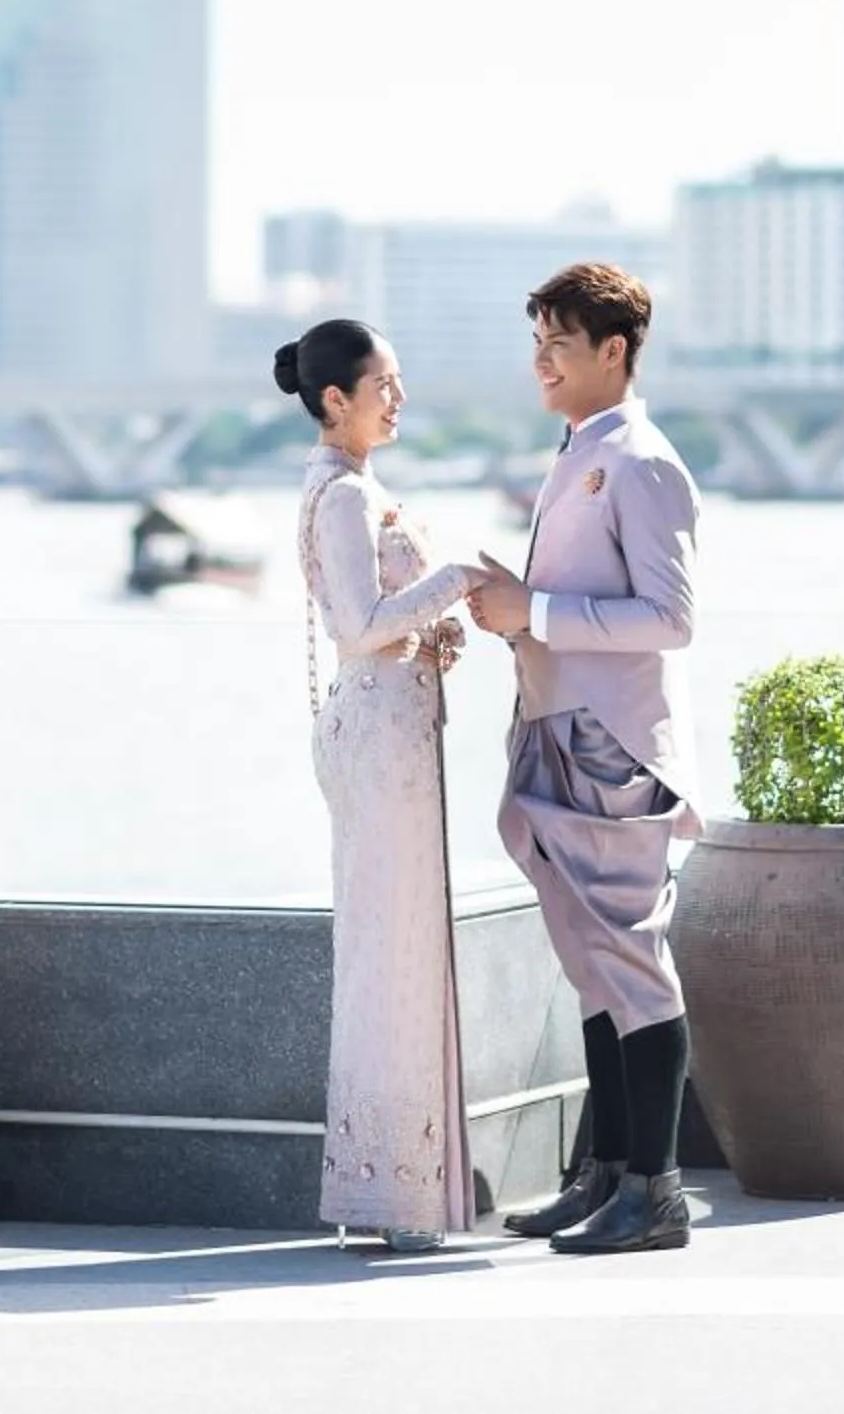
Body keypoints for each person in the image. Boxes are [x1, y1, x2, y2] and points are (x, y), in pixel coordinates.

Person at [469, 263, 703, 1255]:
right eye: (538, 344)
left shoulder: (642, 461)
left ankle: (654, 1192)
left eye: (560, 345)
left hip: (609, 747)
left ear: (615, 350)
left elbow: (672, 620)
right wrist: (513, 615)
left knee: (633, 970)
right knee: (594, 968)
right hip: (558, 733)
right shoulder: (581, 451)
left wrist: (538, 614)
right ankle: (607, 1173)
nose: (543, 364)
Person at [278, 319, 483, 1254]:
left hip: (389, 732)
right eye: (383, 385)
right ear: (335, 400)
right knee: (394, 955)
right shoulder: (347, 497)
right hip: (381, 743)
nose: (398, 399)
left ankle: (386, 1185)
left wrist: (430, 634)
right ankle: (396, 1191)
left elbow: (375, 630)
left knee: (391, 949)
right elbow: (360, 624)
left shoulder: (348, 488)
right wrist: (456, 579)